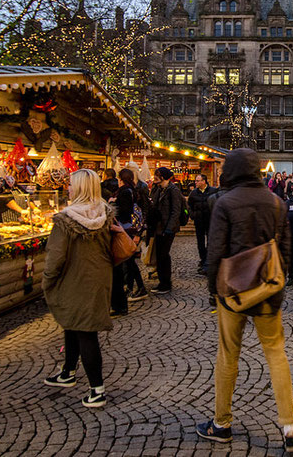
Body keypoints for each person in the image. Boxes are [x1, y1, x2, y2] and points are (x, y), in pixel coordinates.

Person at [197, 148, 293, 453]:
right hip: (268, 290)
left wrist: (214, 290)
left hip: (232, 291)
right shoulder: (276, 202)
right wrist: (278, 282)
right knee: (276, 354)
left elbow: (215, 251)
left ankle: (221, 423)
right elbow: (285, 249)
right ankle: (290, 428)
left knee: (228, 355)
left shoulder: (224, 202)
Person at [43, 169, 116, 408]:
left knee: (86, 331)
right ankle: (68, 371)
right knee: (73, 324)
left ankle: (97, 390)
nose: (68, 188)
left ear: (80, 188)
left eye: (72, 185)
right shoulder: (105, 214)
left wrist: (47, 280)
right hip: (99, 277)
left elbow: (56, 257)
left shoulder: (65, 220)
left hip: (74, 279)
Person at [115, 168, 147, 305]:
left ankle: (140, 287)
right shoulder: (133, 190)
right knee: (129, 261)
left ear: (121, 178)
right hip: (130, 229)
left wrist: (113, 203)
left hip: (126, 228)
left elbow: (124, 211)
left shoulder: (125, 192)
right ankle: (131, 287)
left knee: (129, 261)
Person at [149, 167, 183, 294]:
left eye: (157, 175)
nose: (154, 177)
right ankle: (162, 281)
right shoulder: (158, 189)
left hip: (168, 228)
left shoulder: (173, 190)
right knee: (159, 255)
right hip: (158, 227)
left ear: (163, 177)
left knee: (163, 255)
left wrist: (169, 228)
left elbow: (176, 211)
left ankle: (165, 283)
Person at [188, 174, 217, 275]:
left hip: (210, 221)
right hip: (199, 221)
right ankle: (203, 259)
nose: (195, 182)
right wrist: (192, 215)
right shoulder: (193, 193)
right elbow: (189, 206)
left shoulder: (213, 191)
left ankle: (208, 262)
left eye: (197, 181)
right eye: (195, 181)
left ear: (204, 181)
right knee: (200, 242)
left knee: (210, 241)